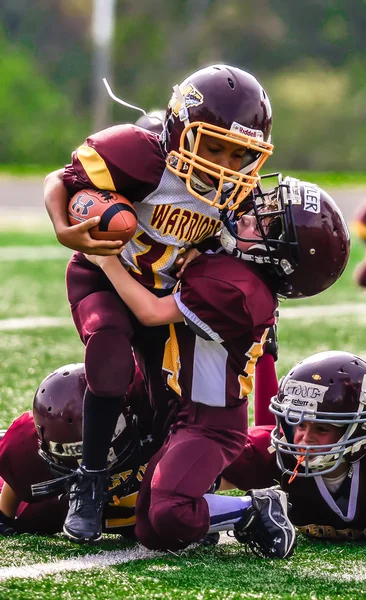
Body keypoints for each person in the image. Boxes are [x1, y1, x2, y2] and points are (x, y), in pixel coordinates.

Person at [43, 64, 274, 543]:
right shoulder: (139, 156)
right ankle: (90, 480)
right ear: (178, 128)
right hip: (105, 274)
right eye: (213, 147)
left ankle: (185, 493)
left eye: (240, 154)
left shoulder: (238, 195)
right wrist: (64, 228)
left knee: (168, 401)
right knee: (108, 349)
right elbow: (59, 180)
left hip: (166, 299)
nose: (226, 165)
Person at [84, 174, 349, 554]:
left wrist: (106, 260)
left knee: (168, 515)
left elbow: (149, 312)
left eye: (268, 223)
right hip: (181, 410)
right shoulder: (235, 268)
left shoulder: (236, 289)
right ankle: (217, 507)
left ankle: (254, 509)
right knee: (149, 528)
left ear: (284, 259)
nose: (250, 215)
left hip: (210, 424)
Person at [220, 350, 366, 541]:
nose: (306, 438)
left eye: (321, 429)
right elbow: (194, 482)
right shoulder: (275, 452)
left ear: (358, 430)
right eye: (299, 424)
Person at [0, 363, 153, 538]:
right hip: (61, 504)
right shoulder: (29, 448)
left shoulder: (145, 406)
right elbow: (18, 473)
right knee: (34, 516)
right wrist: (5, 517)